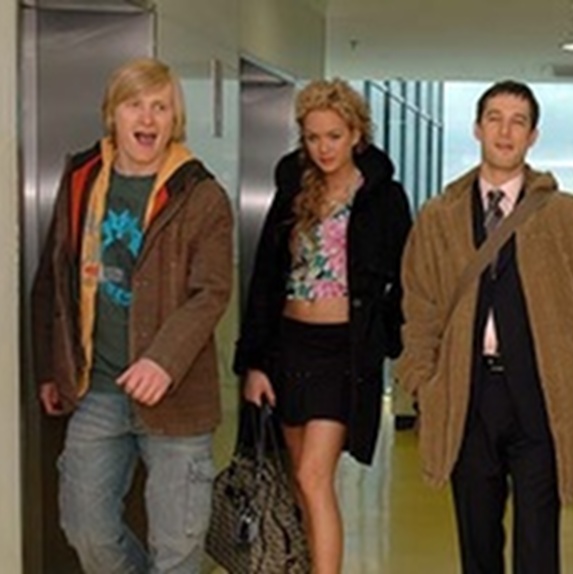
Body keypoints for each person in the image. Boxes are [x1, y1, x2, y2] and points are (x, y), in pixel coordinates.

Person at [395, 80, 573, 574]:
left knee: (538, 544)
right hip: (467, 393)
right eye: (495, 119)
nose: (505, 132)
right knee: (477, 541)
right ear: (477, 128)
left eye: (518, 122)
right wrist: (422, 381)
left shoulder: (568, 216)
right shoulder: (439, 218)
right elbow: (421, 307)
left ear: (533, 136)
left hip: (544, 394)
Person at [30, 57, 233, 573]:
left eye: (160, 107)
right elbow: (54, 275)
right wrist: (51, 367)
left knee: (178, 549)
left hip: (177, 398)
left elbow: (211, 291)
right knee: (86, 530)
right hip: (97, 389)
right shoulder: (81, 180)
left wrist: (163, 360)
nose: (147, 118)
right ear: (112, 114)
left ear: (174, 119)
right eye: (134, 105)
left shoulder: (200, 194)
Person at [233, 78, 412, 573]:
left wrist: (387, 339)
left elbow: (409, 277)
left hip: (342, 353)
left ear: (356, 133)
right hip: (288, 348)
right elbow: (265, 281)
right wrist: (254, 363)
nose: (323, 148)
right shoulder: (293, 193)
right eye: (312, 137)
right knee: (298, 479)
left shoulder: (384, 198)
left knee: (314, 477)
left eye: (333, 135)